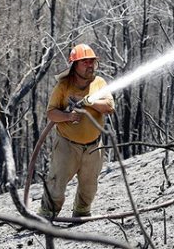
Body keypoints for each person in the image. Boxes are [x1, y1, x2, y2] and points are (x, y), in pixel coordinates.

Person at [39, 43, 115, 218]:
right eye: (85, 62)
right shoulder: (64, 86)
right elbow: (51, 113)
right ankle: (46, 216)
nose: (90, 65)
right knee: (56, 185)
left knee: (89, 187)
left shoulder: (99, 83)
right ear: (75, 65)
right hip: (67, 145)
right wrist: (68, 117)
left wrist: (90, 101)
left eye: (92, 61)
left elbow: (110, 106)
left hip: (94, 146)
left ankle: (81, 214)